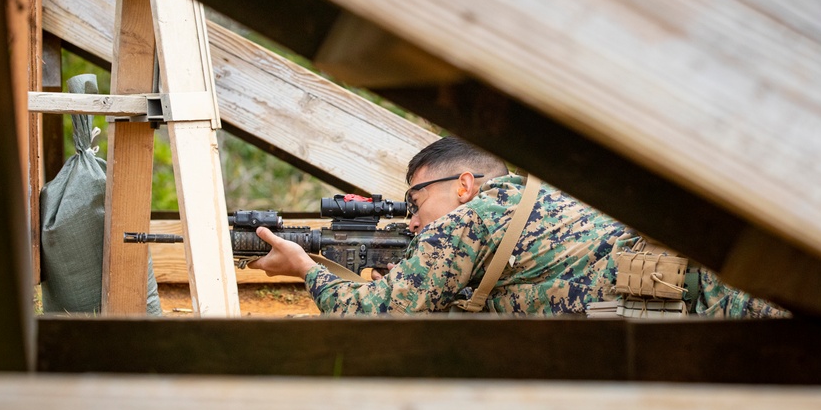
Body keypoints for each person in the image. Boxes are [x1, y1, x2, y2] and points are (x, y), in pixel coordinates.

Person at [249, 136, 788, 317]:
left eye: (416, 198)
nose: (411, 217)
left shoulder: (471, 219)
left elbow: (376, 314)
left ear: (463, 186)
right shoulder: (535, 201)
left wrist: (306, 268)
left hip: (724, 305)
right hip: (729, 289)